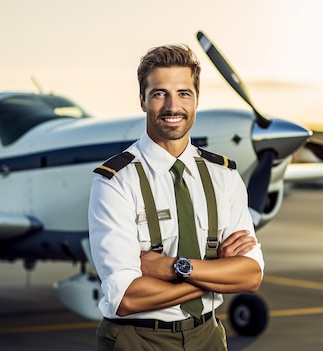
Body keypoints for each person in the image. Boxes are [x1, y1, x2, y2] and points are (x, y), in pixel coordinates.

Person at [88, 43, 264, 351]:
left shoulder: (224, 176)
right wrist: (217, 270)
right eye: (159, 94)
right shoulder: (115, 182)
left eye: (184, 93)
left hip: (208, 335)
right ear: (142, 100)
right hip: (137, 338)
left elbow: (250, 277)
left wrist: (176, 267)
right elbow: (127, 297)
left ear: (196, 100)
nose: (173, 106)